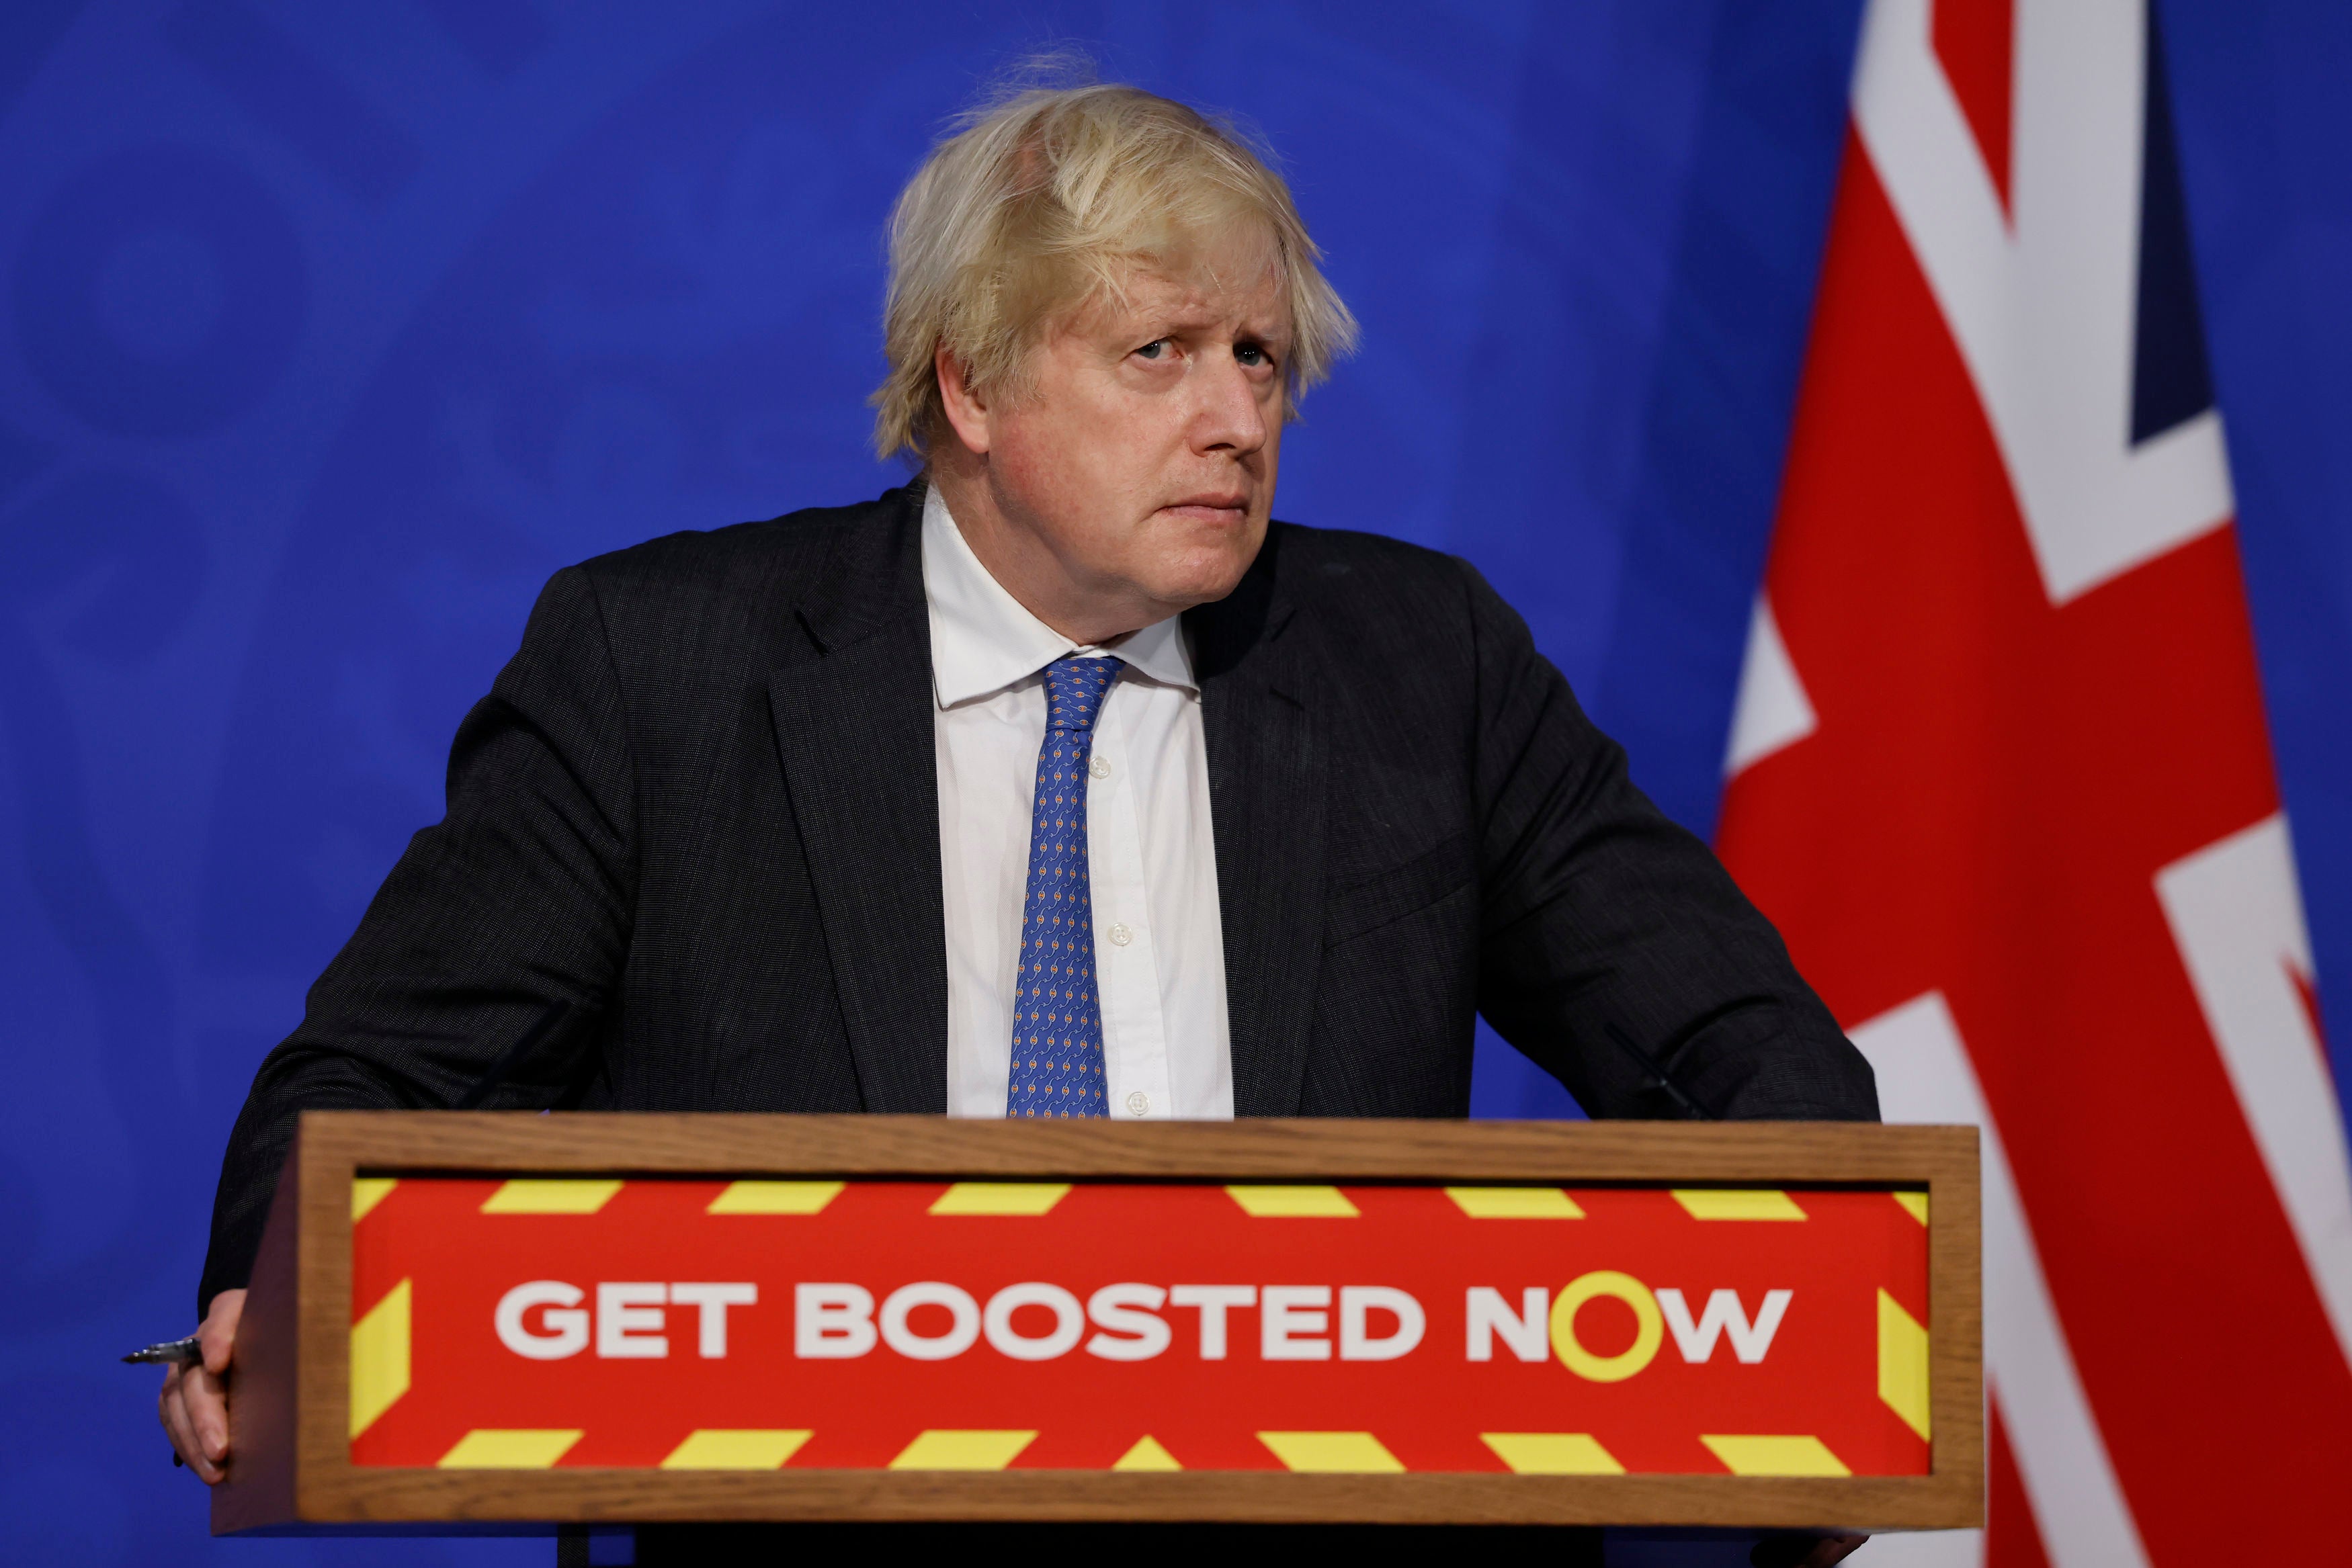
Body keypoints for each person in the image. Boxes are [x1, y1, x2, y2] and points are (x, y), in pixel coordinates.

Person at [161, 75, 1872, 1566]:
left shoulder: (1421, 665)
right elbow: (380, 1079)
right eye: (1162, 354)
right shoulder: (662, 666)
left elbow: (1735, 1042)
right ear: (971, 386)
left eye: (1261, 358)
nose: (1237, 419)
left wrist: (1812, 1357)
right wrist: (266, 1289)